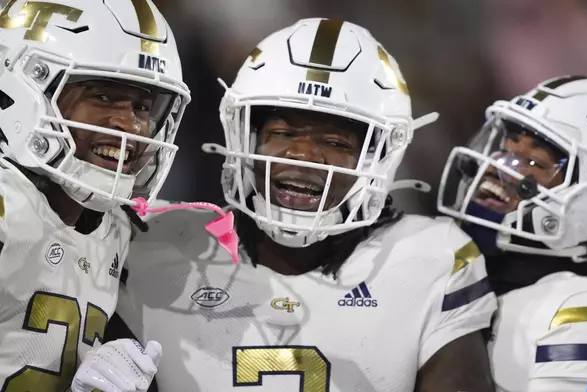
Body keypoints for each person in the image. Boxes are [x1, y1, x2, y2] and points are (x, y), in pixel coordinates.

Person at [110, 18, 497, 392]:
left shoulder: (429, 258)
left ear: (378, 157)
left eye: (336, 142)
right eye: (283, 133)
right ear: (243, 136)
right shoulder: (150, 243)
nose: (303, 155)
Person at [0, 0, 190, 390]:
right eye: (103, 96)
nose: (130, 126)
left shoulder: (116, 226)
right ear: (23, 86)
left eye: (142, 105)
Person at [437, 75, 587, 391]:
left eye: (532, 162)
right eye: (505, 148)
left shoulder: (580, 314)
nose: (496, 166)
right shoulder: (440, 266)